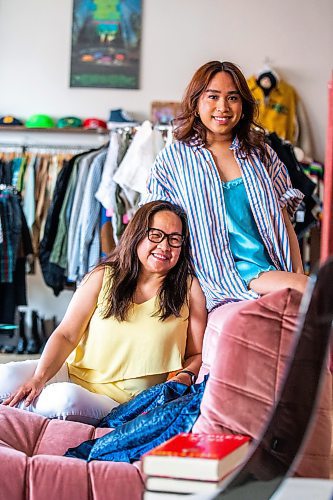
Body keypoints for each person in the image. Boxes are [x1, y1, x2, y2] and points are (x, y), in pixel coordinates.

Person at [0, 201, 206, 424]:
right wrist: (39, 378)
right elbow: (67, 335)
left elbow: (195, 355)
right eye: (155, 235)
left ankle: (18, 416)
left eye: (174, 239)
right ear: (137, 235)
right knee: (5, 376)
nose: (165, 246)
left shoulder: (188, 288)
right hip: (71, 372)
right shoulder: (104, 275)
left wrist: (184, 377)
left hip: (120, 402)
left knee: (65, 399)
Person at [141, 61, 308, 313]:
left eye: (232, 98)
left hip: (272, 268)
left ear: (243, 105)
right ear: (196, 103)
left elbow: (284, 221)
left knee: (313, 295)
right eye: (213, 97)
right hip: (218, 277)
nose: (223, 107)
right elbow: (156, 229)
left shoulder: (261, 154)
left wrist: (297, 274)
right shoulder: (173, 160)